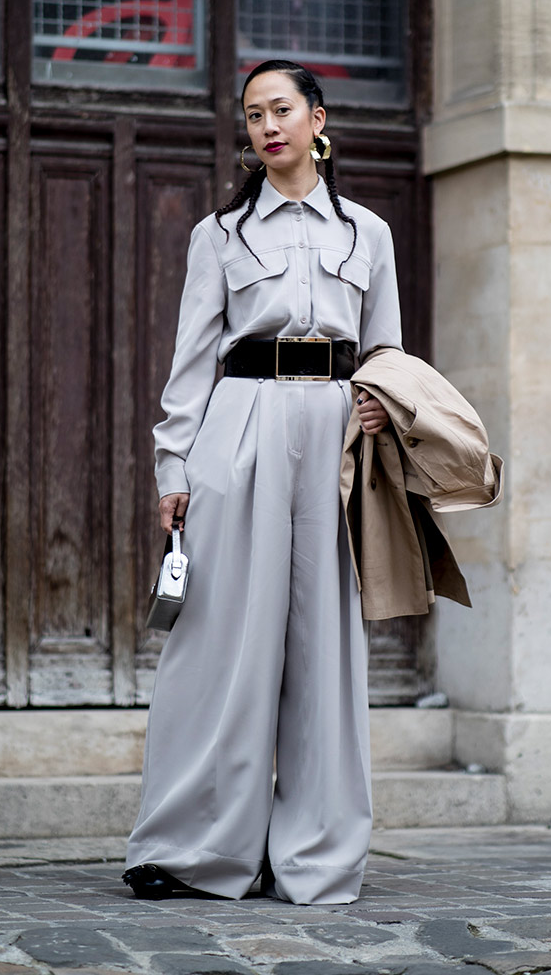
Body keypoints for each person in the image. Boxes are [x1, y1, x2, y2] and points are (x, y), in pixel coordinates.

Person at [123, 59, 404, 906]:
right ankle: (188, 848)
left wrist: (383, 408)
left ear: (317, 120)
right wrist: (174, 467)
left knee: (325, 647)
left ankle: (316, 855)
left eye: (281, 110)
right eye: (252, 116)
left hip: (332, 438)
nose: (267, 126)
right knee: (218, 645)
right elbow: (190, 364)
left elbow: (385, 349)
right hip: (237, 429)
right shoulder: (221, 236)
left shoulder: (369, 233)